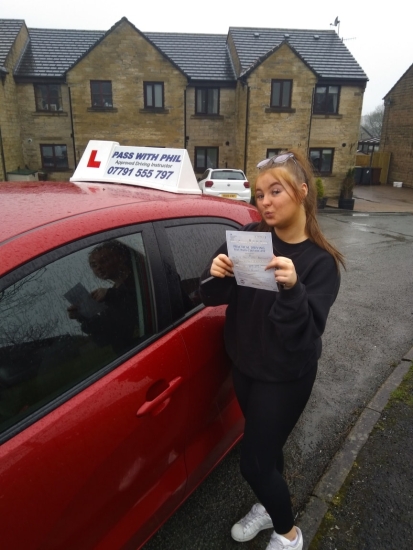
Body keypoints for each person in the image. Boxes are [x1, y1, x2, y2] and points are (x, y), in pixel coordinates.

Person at [199, 150, 344, 550]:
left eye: (274, 191)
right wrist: (216, 273)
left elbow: (303, 333)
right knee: (268, 446)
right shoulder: (249, 239)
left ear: (301, 192)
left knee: (255, 461)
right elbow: (213, 296)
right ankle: (267, 505)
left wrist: (293, 288)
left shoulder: (319, 264)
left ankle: (289, 534)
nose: (264, 201)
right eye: (258, 193)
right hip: (246, 367)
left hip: (286, 376)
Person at [68, 240, 138, 354]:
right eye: (94, 265)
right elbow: (104, 338)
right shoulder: (114, 294)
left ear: (122, 258)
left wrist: (110, 294)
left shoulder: (142, 279)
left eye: (104, 261)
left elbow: (138, 307)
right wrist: (82, 315)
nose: (98, 268)